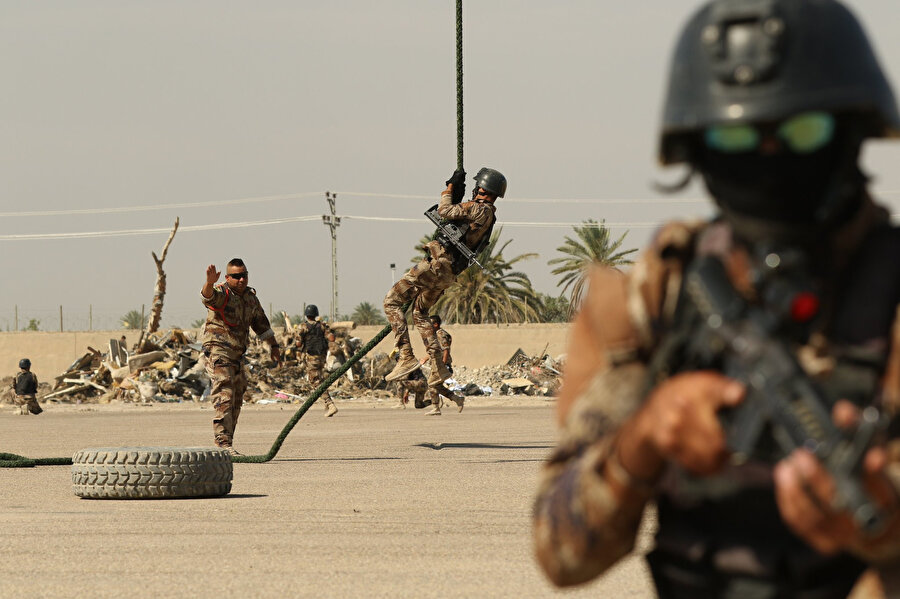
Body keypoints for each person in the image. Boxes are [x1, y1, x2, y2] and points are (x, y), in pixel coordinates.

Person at [533, 1, 900, 597]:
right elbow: (561, 553)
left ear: (854, 131)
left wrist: (881, 521)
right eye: (735, 137)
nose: (768, 157)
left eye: (804, 132)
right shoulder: (659, 294)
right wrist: (643, 439)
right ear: (698, 150)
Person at [383, 167, 506, 389]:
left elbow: (444, 210)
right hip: (448, 273)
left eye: (478, 186)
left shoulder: (479, 209)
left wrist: (450, 188)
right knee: (420, 313)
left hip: (437, 264)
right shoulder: (488, 215)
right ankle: (438, 366)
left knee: (391, 301)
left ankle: (406, 356)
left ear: (483, 189)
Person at [201, 258, 280, 456]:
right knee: (225, 394)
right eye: (236, 276)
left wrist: (274, 346)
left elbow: (261, 324)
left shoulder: (250, 298)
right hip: (219, 350)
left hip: (237, 354)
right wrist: (209, 282)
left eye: (244, 275)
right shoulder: (223, 293)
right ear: (227, 277)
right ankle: (222, 442)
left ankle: (227, 442)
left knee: (236, 396)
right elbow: (207, 297)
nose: (241, 279)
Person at [295, 304, 338, 417]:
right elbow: (332, 338)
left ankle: (330, 404)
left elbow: (298, 343)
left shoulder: (302, 327)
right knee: (321, 378)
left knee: (315, 381)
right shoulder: (322, 326)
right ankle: (326, 405)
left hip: (311, 357)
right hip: (322, 356)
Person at [422, 314, 464, 416]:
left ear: (435, 324)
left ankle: (436, 408)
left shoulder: (441, 334)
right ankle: (457, 399)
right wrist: (425, 359)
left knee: (431, 384)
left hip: (441, 365)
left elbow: (446, 350)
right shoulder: (435, 335)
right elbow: (435, 351)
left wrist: (443, 364)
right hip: (437, 364)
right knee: (437, 386)